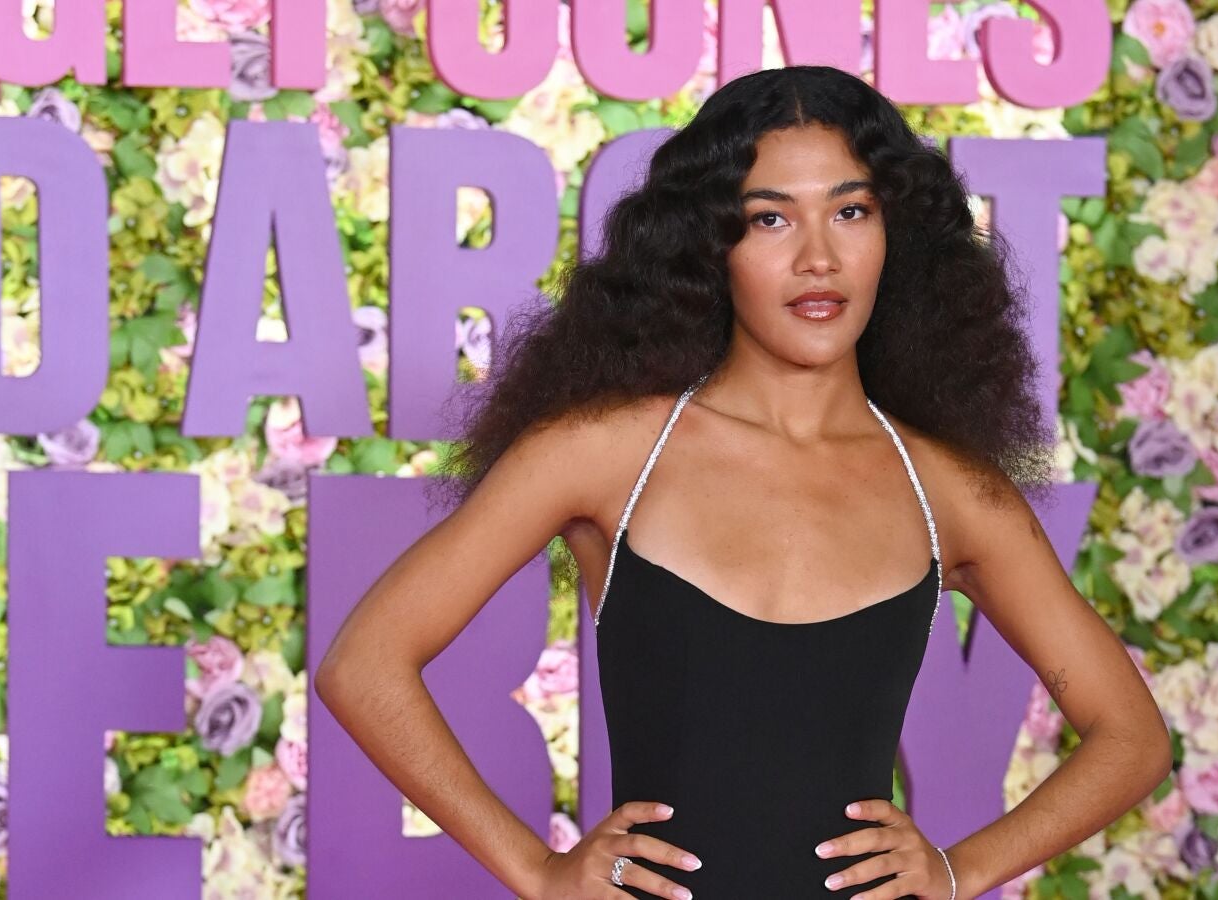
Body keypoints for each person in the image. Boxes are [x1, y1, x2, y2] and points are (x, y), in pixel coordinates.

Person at [316, 64, 1173, 899]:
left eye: (851, 211)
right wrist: (538, 873)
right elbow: (364, 666)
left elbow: (1131, 737)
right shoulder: (604, 454)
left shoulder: (947, 491)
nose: (818, 257)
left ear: (896, 234)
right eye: (770, 219)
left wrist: (959, 871)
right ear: (711, 245)